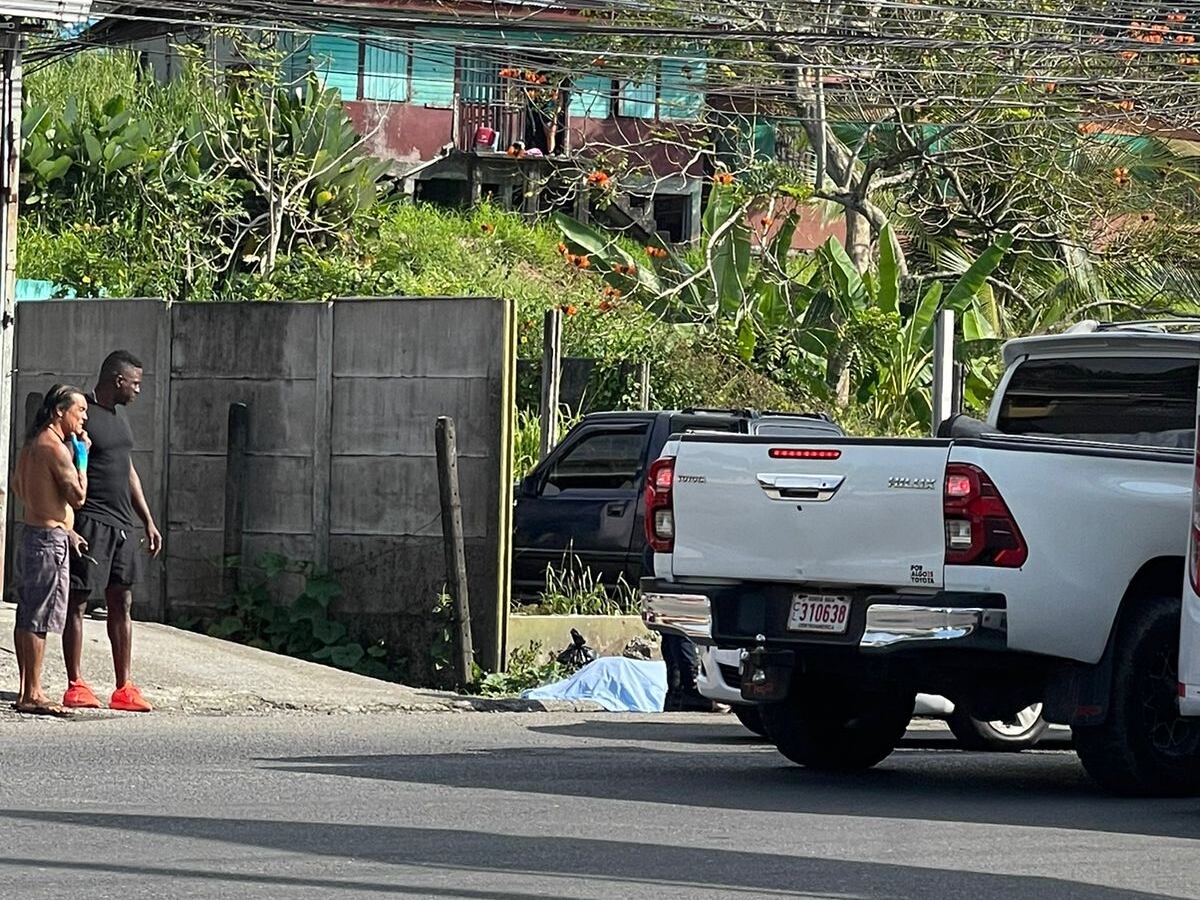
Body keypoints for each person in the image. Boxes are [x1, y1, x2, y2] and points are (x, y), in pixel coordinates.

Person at [61, 350, 161, 713]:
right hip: (90, 519)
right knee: (78, 600)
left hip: (122, 523)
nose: (138, 390)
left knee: (123, 601)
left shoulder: (121, 419)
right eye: (135, 383)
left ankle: (124, 687)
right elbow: (63, 463)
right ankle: (76, 684)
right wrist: (67, 522)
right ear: (118, 380)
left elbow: (128, 470)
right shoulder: (83, 413)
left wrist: (147, 519)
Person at [11, 385, 89, 716]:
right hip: (47, 542)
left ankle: (26, 688)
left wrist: (62, 524)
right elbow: (78, 496)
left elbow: (18, 486)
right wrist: (82, 456)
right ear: (60, 411)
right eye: (80, 410)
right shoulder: (55, 448)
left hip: (32, 533)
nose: (84, 418)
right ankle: (33, 692)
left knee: (27, 612)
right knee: (38, 616)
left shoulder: (31, 444)